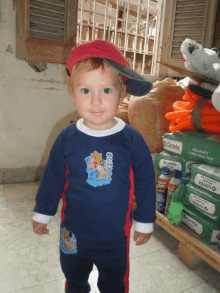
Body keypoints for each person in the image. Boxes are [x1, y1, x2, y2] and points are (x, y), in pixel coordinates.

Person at [32, 39, 156, 293]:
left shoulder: (131, 139)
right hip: (73, 235)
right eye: (86, 91)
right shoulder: (66, 138)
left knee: (114, 284)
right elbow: (53, 179)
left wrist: (144, 220)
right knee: (74, 280)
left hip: (114, 237)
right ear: (72, 93)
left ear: (122, 92)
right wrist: (43, 213)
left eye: (106, 91)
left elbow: (145, 181)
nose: (96, 101)